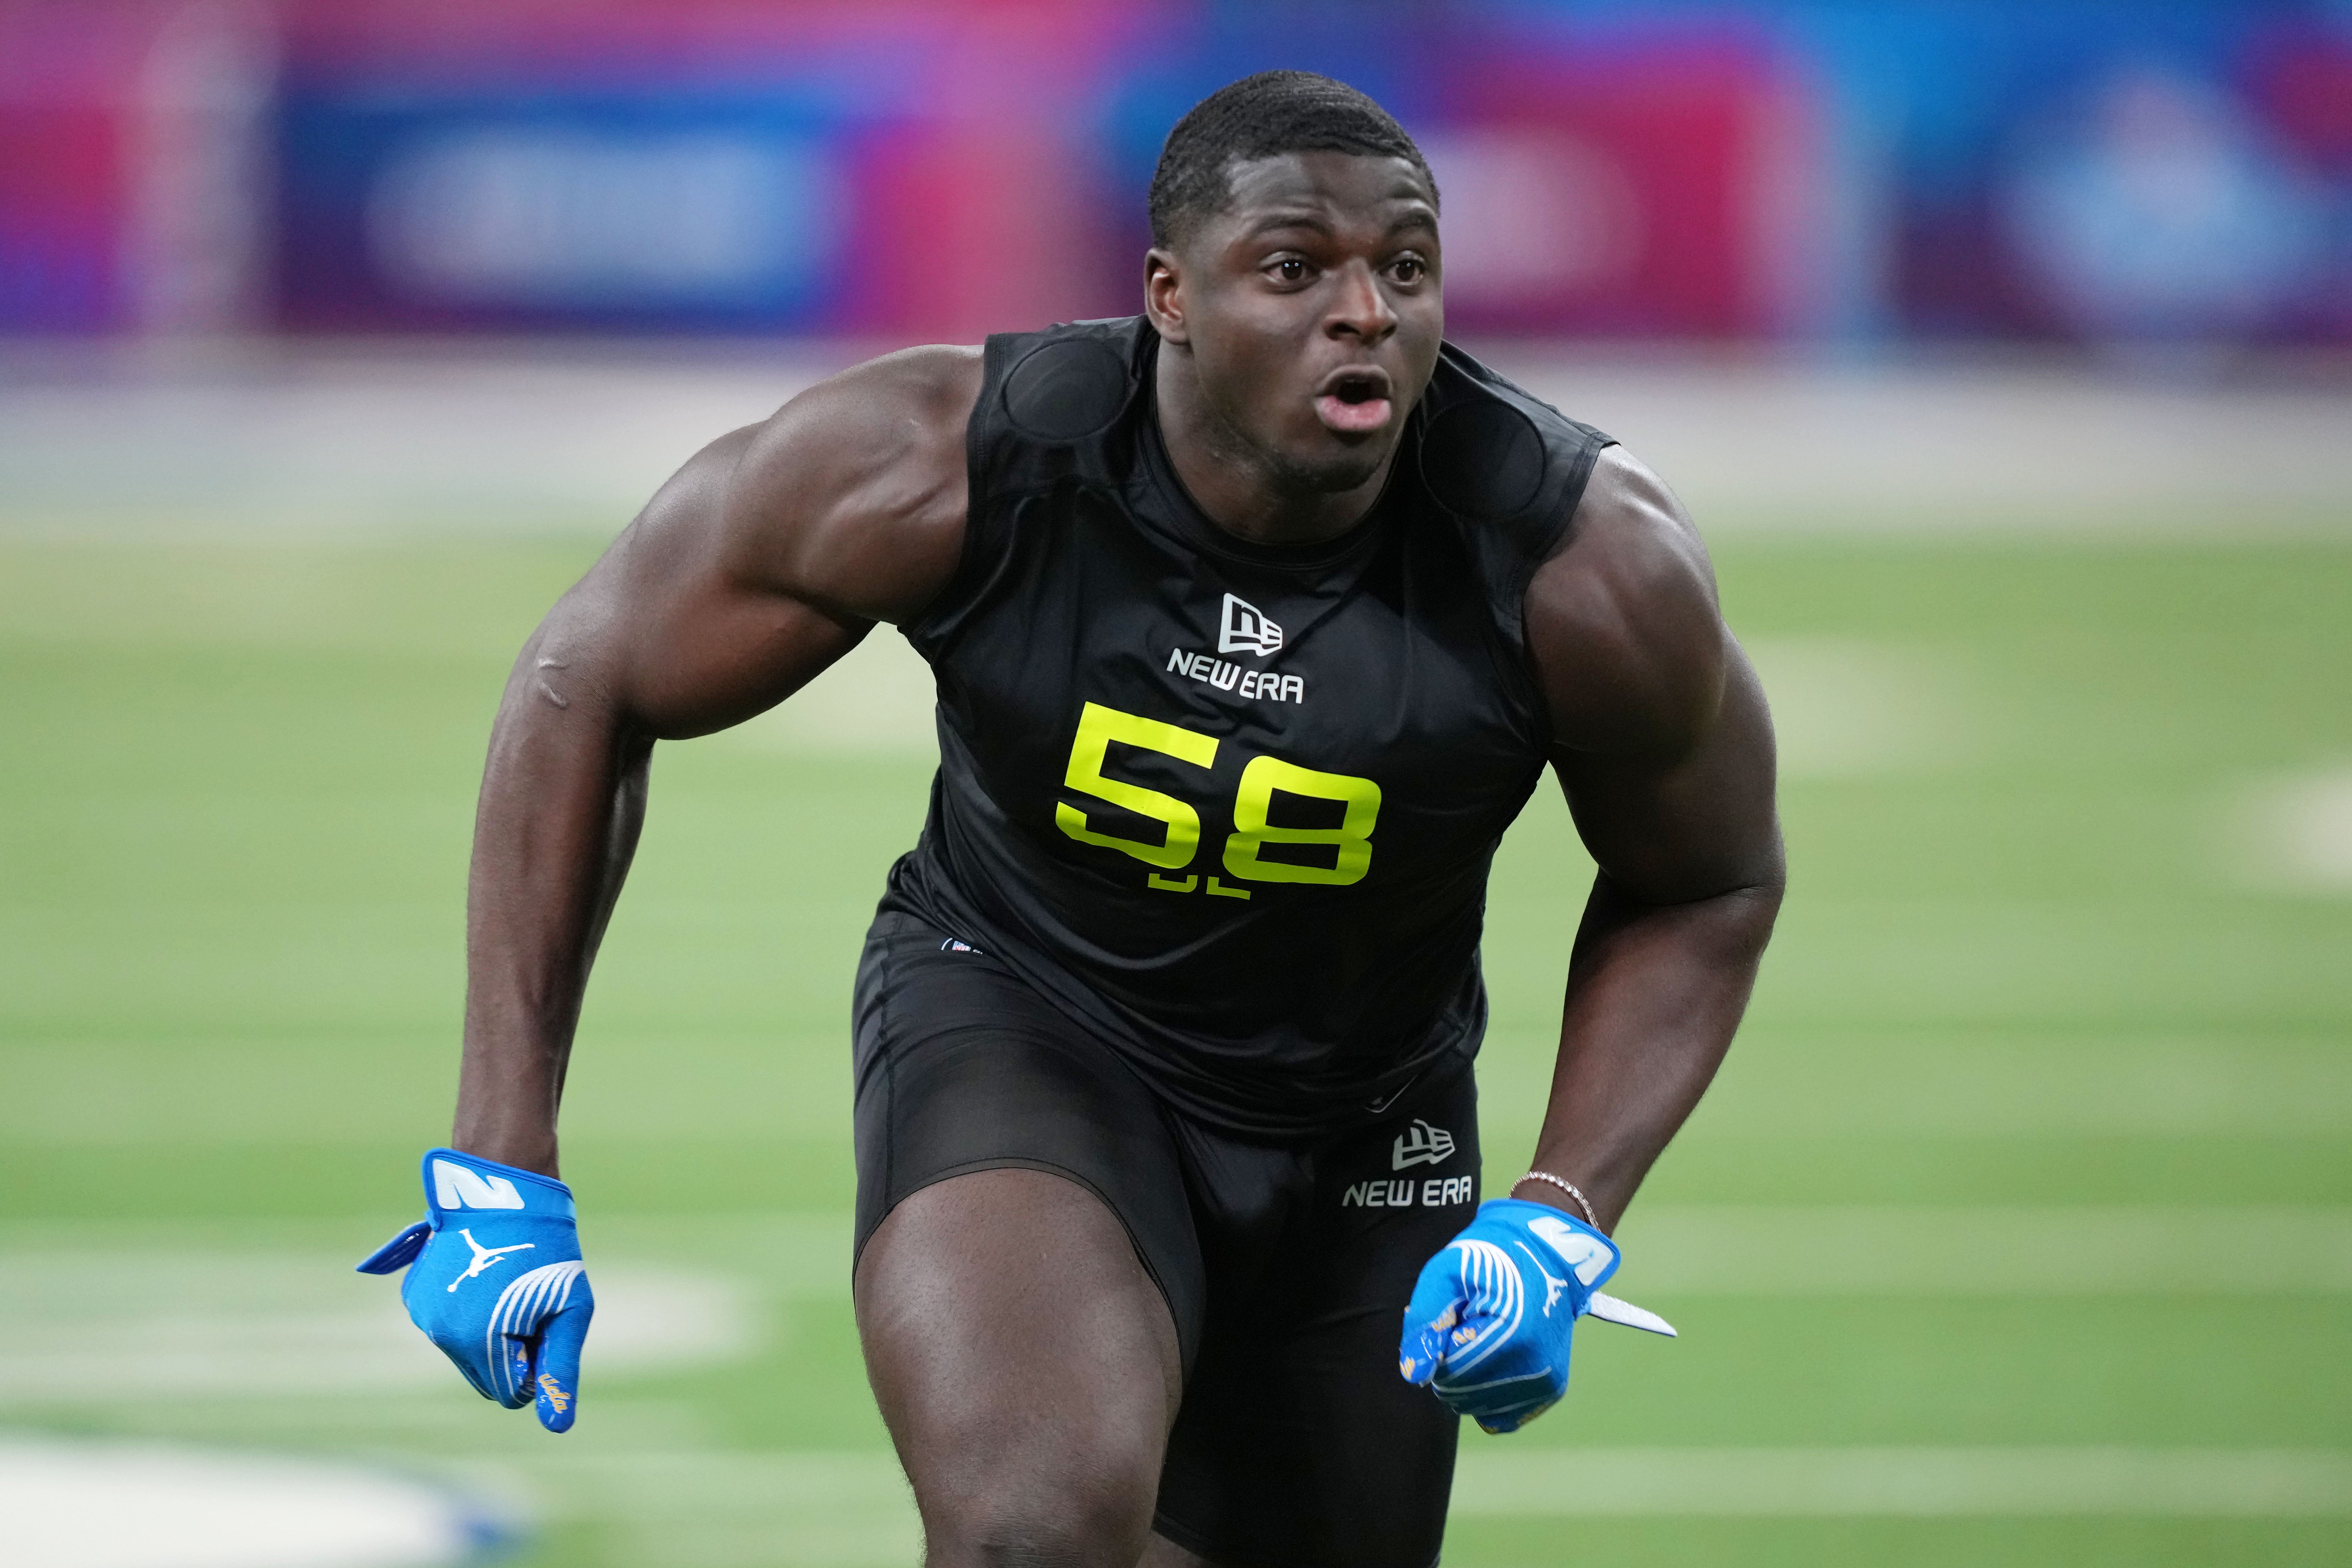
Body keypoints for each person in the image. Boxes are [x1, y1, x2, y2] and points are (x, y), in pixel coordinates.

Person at [359, 70, 1782, 1568]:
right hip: (1028, 1023)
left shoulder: (1576, 562)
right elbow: (588, 678)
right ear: (1169, 296)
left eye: (1405, 267)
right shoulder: (948, 461)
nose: (1365, 311)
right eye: (1295, 269)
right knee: (1030, 1535)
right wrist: (499, 1158)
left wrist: (1562, 1206)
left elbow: (1706, 881)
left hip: (1368, 1113)